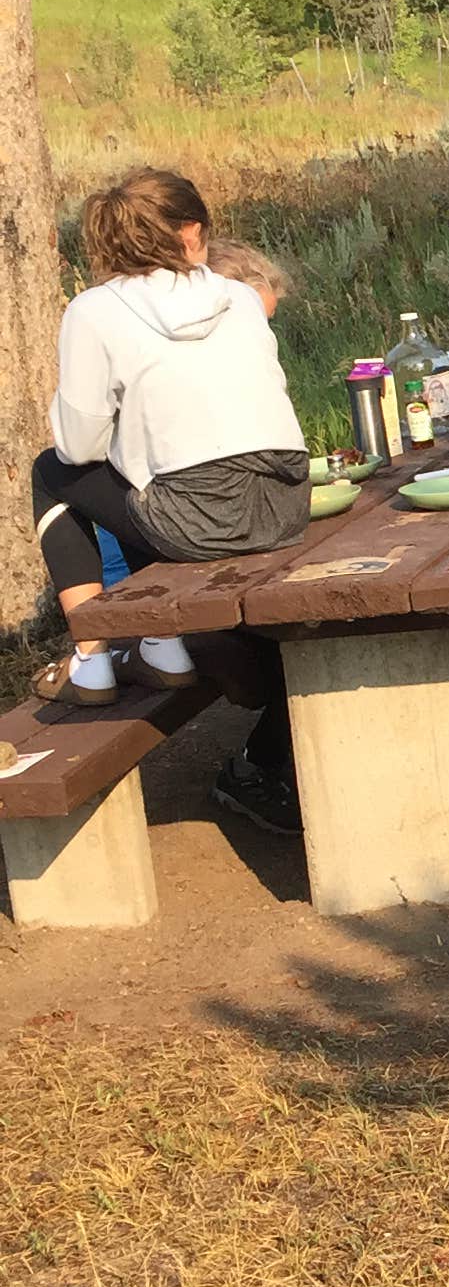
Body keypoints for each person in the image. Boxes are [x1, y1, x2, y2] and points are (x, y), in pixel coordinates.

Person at [30, 168, 311, 837]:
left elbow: (76, 444)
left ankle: (95, 655)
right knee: (143, 478)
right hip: (285, 501)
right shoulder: (240, 299)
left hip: (196, 520)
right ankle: (160, 640)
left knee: (51, 471)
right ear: (193, 232)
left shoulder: (93, 312)